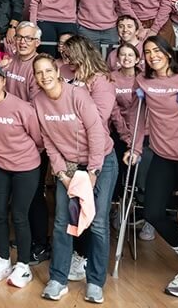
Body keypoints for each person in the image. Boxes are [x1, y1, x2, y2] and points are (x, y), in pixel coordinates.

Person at [32, 53, 116, 303]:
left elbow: (96, 133)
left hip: (101, 162)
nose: (44, 76)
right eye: (39, 72)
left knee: (98, 223)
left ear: (57, 72)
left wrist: (93, 172)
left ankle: (95, 282)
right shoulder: (38, 101)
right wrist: (62, 174)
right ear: (35, 77)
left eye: (48, 70)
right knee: (64, 223)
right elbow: (48, 140)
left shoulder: (77, 95)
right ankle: (58, 279)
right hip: (69, 167)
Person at [131, 37, 178, 297]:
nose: (152, 55)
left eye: (157, 50)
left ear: (167, 52)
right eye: (147, 51)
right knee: (152, 212)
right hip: (162, 156)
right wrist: (135, 148)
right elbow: (139, 117)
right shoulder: (143, 81)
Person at [0, 62, 41, 289]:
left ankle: (23, 266)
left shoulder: (22, 107)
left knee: (19, 215)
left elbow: (39, 139)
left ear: (4, 81)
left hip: (26, 167)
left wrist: (21, 155)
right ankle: (3, 259)